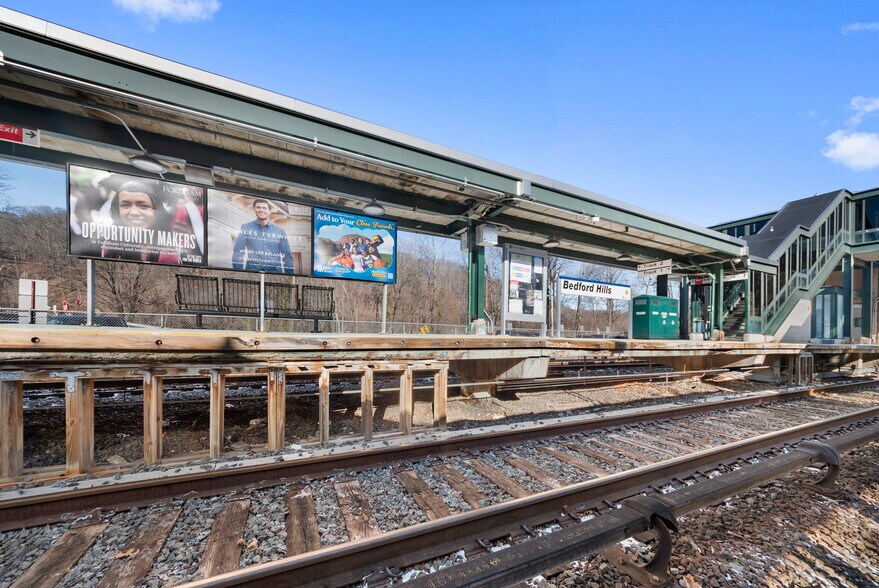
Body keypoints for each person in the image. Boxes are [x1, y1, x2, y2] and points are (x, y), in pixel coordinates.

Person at [103, 179, 174, 263]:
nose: (134, 213)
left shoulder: (173, 250)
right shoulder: (105, 247)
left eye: (143, 206)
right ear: (117, 210)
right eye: (125, 205)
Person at [232, 199, 295, 274]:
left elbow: (287, 255)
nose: (261, 210)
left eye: (264, 208)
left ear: (269, 211)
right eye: (258, 207)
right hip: (252, 272)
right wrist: (238, 272)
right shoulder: (245, 228)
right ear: (254, 210)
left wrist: (290, 276)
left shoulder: (280, 231)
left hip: (275, 273)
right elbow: (238, 251)